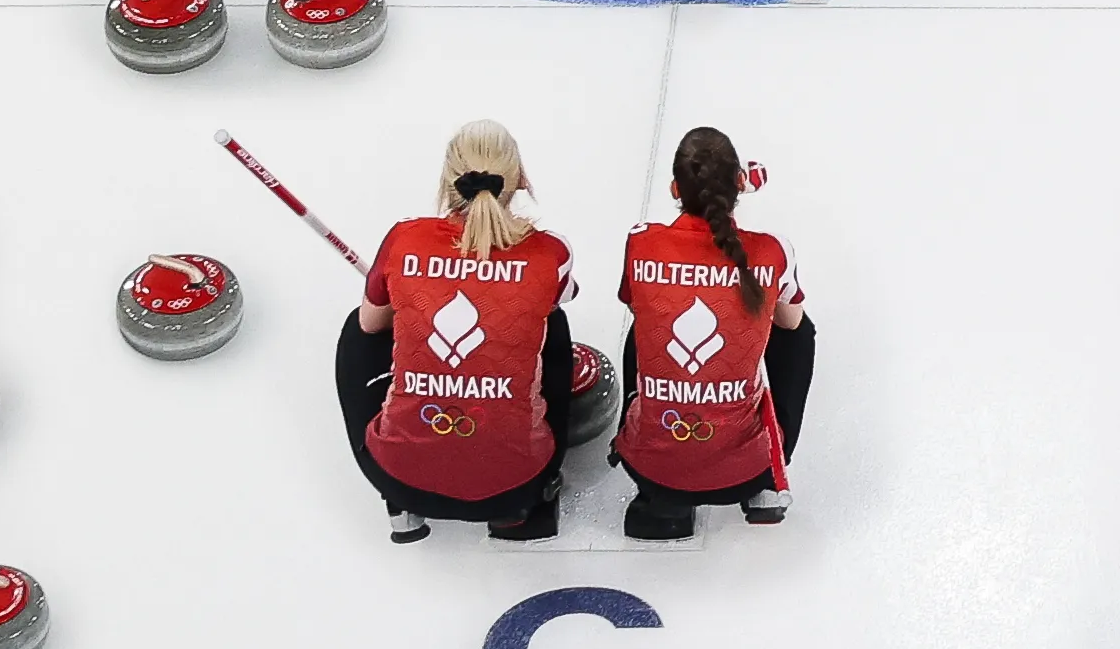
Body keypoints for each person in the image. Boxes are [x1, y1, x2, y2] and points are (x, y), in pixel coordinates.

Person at [342, 122, 583, 545]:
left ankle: (402, 499)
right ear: (520, 179)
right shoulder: (551, 251)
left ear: (446, 181)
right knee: (553, 323)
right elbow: (564, 296)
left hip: (400, 478)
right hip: (516, 482)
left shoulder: (405, 238)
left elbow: (370, 326)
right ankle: (521, 511)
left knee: (357, 327)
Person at [613, 125, 810, 538]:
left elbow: (635, 303)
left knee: (646, 319)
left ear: (674, 189)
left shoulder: (641, 242)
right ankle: (769, 473)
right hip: (743, 470)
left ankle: (660, 502)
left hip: (653, 468)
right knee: (796, 331)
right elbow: (790, 323)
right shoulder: (772, 250)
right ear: (740, 184)